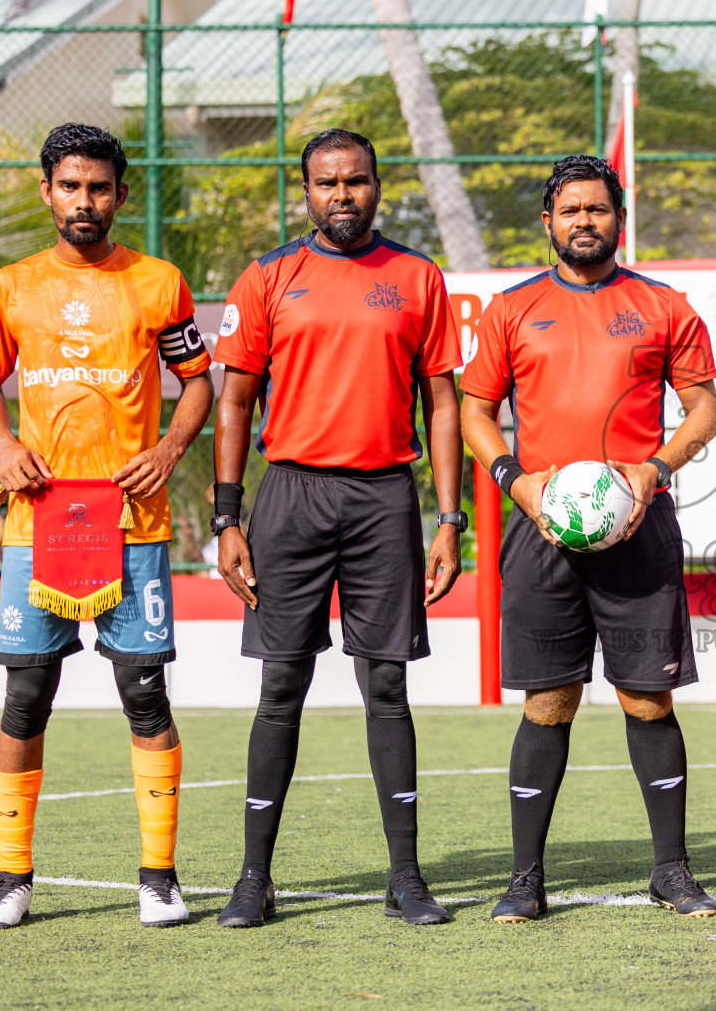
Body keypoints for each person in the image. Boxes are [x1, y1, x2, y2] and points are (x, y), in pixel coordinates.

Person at [211, 128, 465, 928]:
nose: (342, 196)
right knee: (280, 682)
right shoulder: (268, 277)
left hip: (385, 497)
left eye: (356, 182)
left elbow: (445, 404)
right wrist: (227, 516)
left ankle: (406, 876)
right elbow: (234, 402)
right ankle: (254, 878)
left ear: (379, 187)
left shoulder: (418, 278)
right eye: (326, 184)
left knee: (385, 683)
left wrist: (450, 519)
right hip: (288, 496)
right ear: (306, 192)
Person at [460, 154, 716, 922]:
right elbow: (476, 412)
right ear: (548, 222)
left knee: (648, 698)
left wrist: (653, 469)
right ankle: (524, 880)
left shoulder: (662, 305)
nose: (585, 221)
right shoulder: (510, 310)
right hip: (542, 526)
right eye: (570, 210)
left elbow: (704, 410)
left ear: (619, 219)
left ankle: (671, 872)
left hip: (639, 526)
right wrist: (517, 478)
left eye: (598, 210)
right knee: (549, 701)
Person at [0, 123, 214, 928]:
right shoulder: (11, 286)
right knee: (26, 693)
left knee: (144, 692)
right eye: (70, 186)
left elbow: (198, 383)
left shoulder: (159, 283)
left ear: (120, 194)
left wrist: (171, 448)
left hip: (133, 526)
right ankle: (11, 877)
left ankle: (158, 877)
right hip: (37, 526)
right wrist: (4, 445)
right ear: (47, 191)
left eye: (99, 188)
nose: (84, 201)